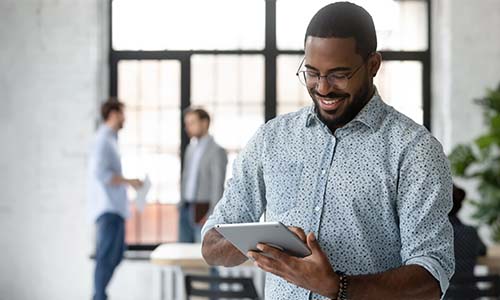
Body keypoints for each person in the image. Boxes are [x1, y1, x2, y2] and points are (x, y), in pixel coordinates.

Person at [201, 2, 454, 299]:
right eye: (311, 73)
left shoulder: (414, 150)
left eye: (339, 75)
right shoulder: (272, 139)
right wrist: (263, 242)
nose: (322, 88)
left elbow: (431, 277)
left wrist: (336, 286)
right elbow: (212, 245)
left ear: (373, 65)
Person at [88, 98, 143, 300]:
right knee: (105, 256)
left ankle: (100, 294)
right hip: (107, 208)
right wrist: (130, 181)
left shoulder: (111, 139)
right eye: (122, 113)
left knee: (117, 253)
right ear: (112, 114)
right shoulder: (102, 139)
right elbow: (101, 173)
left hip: (115, 208)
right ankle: (99, 296)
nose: (124, 118)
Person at [178, 107, 228, 243]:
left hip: (204, 207)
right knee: (184, 253)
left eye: (192, 123)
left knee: (204, 252)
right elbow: (186, 177)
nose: (188, 127)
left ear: (205, 123)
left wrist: (212, 213)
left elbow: (217, 185)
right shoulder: (190, 149)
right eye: (186, 123)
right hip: (186, 206)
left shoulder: (217, 151)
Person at [450, 184, 487, 277]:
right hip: (470, 290)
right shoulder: (470, 232)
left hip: (442, 291)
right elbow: (482, 250)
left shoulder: (431, 235)